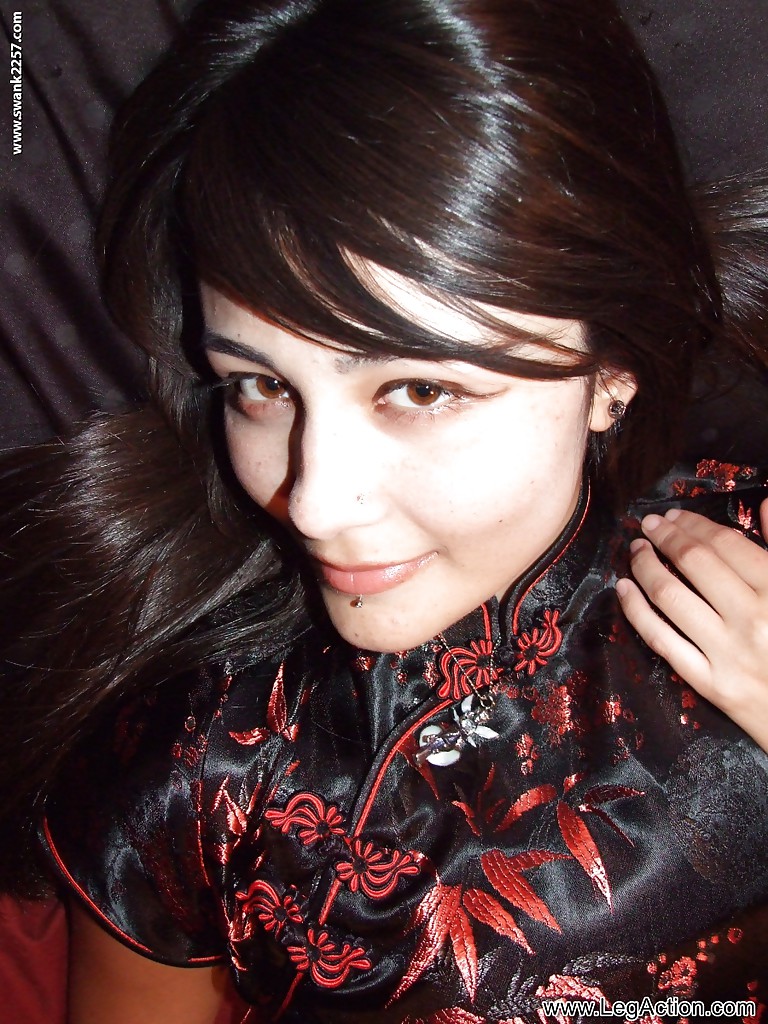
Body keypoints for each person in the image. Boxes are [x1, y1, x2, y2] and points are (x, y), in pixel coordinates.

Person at [1, 0, 768, 1020]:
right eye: (260, 386)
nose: (314, 503)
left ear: (611, 373)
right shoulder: (196, 769)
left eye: (420, 389)